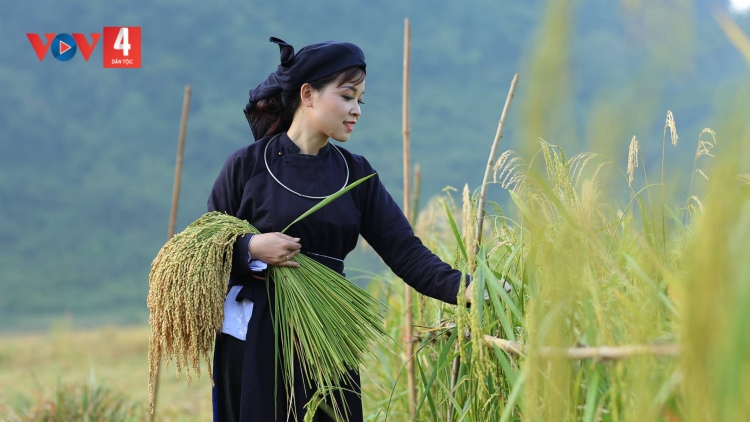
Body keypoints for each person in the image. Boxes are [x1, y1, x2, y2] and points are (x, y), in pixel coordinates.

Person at [208, 36, 472, 422]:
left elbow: (406, 253)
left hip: (327, 336)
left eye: (360, 100)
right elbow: (201, 250)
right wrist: (250, 248)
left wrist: (468, 289)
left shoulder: (356, 174)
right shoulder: (247, 166)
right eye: (348, 96)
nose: (357, 110)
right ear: (308, 94)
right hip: (253, 337)